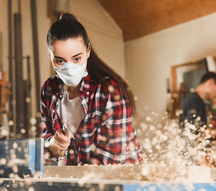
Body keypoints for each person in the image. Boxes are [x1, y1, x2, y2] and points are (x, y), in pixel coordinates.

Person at [40, 13, 146, 165]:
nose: (69, 68)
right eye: (60, 61)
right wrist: (53, 144)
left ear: (88, 50)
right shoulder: (48, 90)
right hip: (80, 178)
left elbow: (111, 159)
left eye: (77, 59)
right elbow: (46, 149)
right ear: (50, 56)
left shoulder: (109, 91)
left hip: (121, 177)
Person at [179, 71, 216, 139]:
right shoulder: (194, 101)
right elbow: (191, 131)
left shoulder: (198, 101)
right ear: (210, 82)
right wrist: (214, 133)